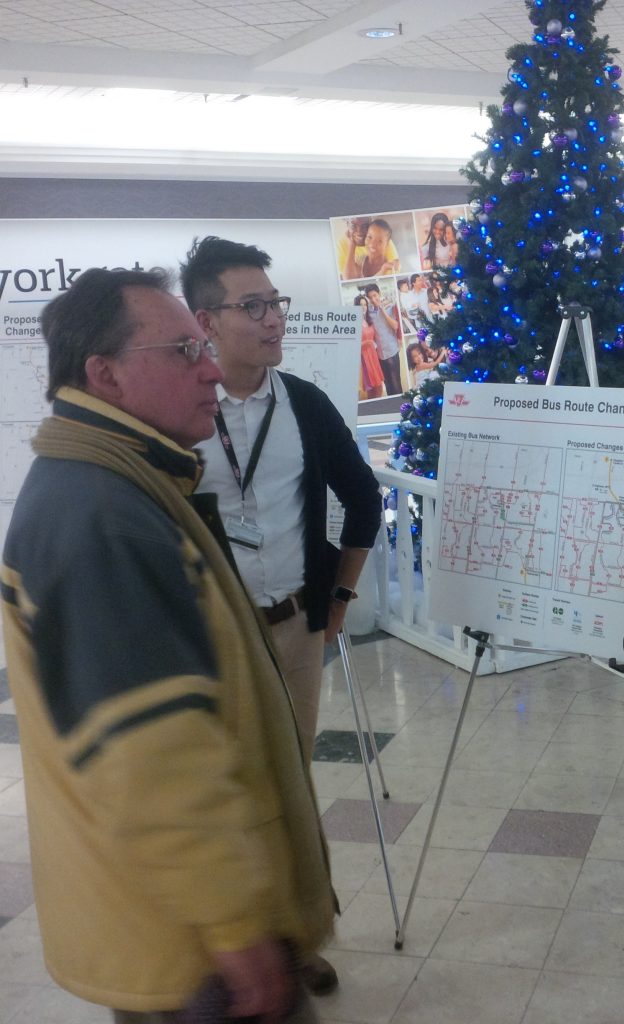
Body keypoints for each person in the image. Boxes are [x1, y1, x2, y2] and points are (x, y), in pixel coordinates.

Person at [0, 268, 334, 1022]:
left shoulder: (114, 484)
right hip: (192, 954)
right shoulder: (101, 518)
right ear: (105, 375)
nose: (211, 367)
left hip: (177, 930)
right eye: (184, 350)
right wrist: (236, 928)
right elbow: (150, 751)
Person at [180, 237, 382, 995]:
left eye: (276, 304)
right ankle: (228, 941)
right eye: (252, 306)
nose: (272, 320)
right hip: (214, 638)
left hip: (296, 630)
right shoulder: (182, 412)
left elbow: (363, 501)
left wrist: (337, 603)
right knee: (222, 787)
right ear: (207, 319)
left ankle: (295, 937)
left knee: (289, 787)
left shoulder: (304, 403)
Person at [362, 281, 403, 394]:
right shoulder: (368, 312)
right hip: (379, 354)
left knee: (396, 381)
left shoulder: (389, 307)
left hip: (392, 350)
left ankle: (401, 406)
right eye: (370, 297)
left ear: (379, 293)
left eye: (375, 295)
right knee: (387, 382)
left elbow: (395, 326)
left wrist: (383, 310)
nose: (373, 299)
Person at [337, 215, 399, 280]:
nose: (359, 232)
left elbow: (393, 270)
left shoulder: (384, 238)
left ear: (370, 224)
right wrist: (352, 246)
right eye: (353, 226)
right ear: (347, 225)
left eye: (364, 226)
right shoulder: (342, 246)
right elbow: (348, 279)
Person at [355, 292, 385, 399]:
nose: (364, 307)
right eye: (361, 305)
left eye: (365, 304)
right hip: (364, 358)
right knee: (371, 388)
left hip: (373, 356)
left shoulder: (368, 320)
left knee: (379, 386)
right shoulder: (355, 323)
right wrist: (368, 343)